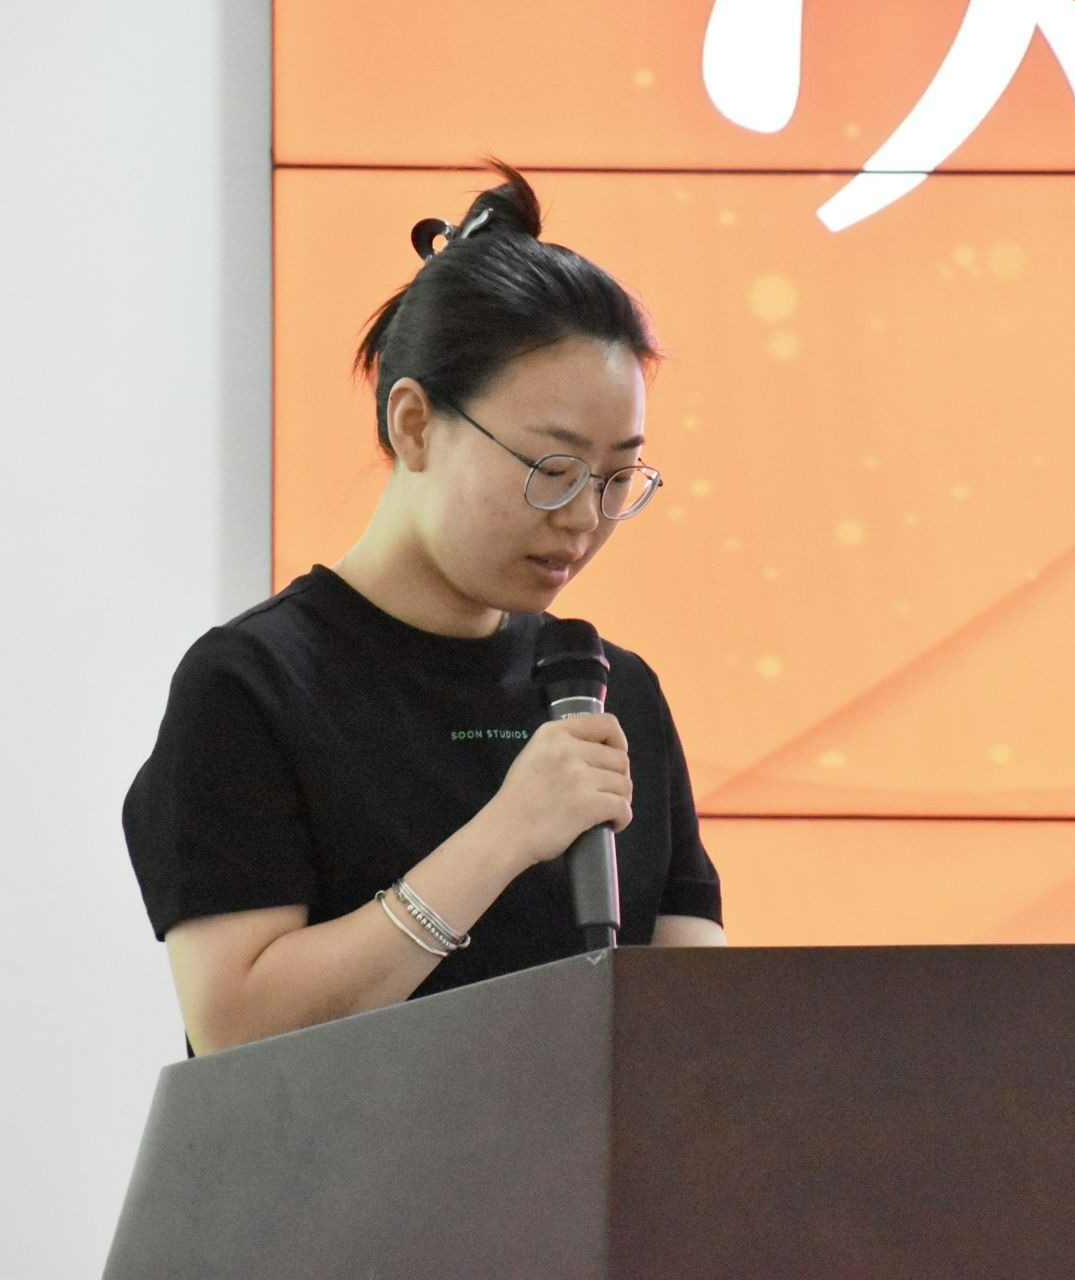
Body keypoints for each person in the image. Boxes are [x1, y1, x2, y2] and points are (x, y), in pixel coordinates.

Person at [123, 162, 725, 1057]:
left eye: (615, 477)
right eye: (552, 469)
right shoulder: (255, 686)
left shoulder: (612, 692)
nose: (582, 518)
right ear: (414, 425)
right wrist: (505, 835)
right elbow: (234, 1028)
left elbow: (704, 1034)